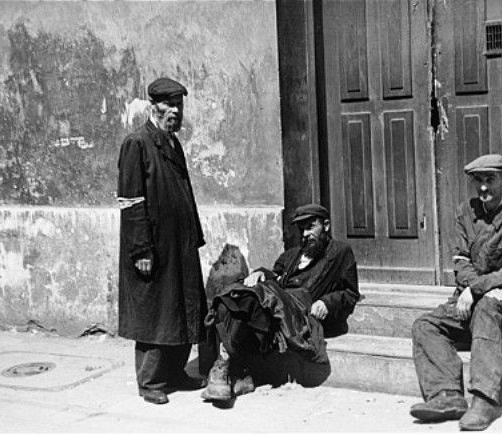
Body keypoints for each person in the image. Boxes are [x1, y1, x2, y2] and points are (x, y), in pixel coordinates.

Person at [410, 154, 502, 430]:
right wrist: (472, 287)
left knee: (486, 309)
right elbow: (460, 260)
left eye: (490, 180)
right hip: (471, 294)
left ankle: (484, 401)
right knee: (425, 325)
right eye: (478, 181)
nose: (483, 187)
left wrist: (478, 289)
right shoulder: (465, 212)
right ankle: (447, 395)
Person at [201, 204, 360, 401]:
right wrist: (260, 272)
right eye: (302, 229)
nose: (306, 234)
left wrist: (327, 302)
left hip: (299, 310)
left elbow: (351, 293)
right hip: (277, 307)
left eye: (311, 227)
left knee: (247, 299)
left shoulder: (340, 252)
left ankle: (227, 367)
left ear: (326, 225)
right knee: (232, 301)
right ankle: (234, 371)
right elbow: (274, 275)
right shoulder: (293, 254)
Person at [117, 77, 207, 405]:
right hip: (153, 247)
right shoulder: (137, 144)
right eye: (170, 106)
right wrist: (140, 249)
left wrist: (194, 235)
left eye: (179, 106)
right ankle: (150, 381)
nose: (176, 112)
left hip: (179, 246)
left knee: (183, 310)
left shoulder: (172, 144)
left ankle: (176, 372)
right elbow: (131, 202)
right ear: (154, 106)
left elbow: (185, 192)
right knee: (156, 313)